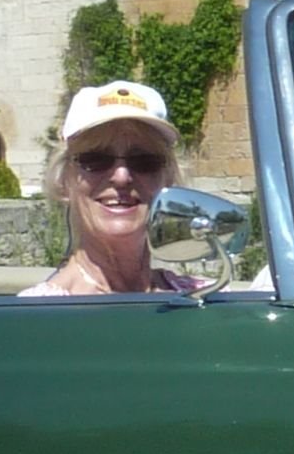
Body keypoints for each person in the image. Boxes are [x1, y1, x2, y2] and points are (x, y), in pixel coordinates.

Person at [23, 81, 199, 297]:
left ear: (168, 179)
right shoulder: (38, 318)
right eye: (95, 159)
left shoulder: (203, 299)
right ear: (64, 181)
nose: (122, 177)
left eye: (144, 160)